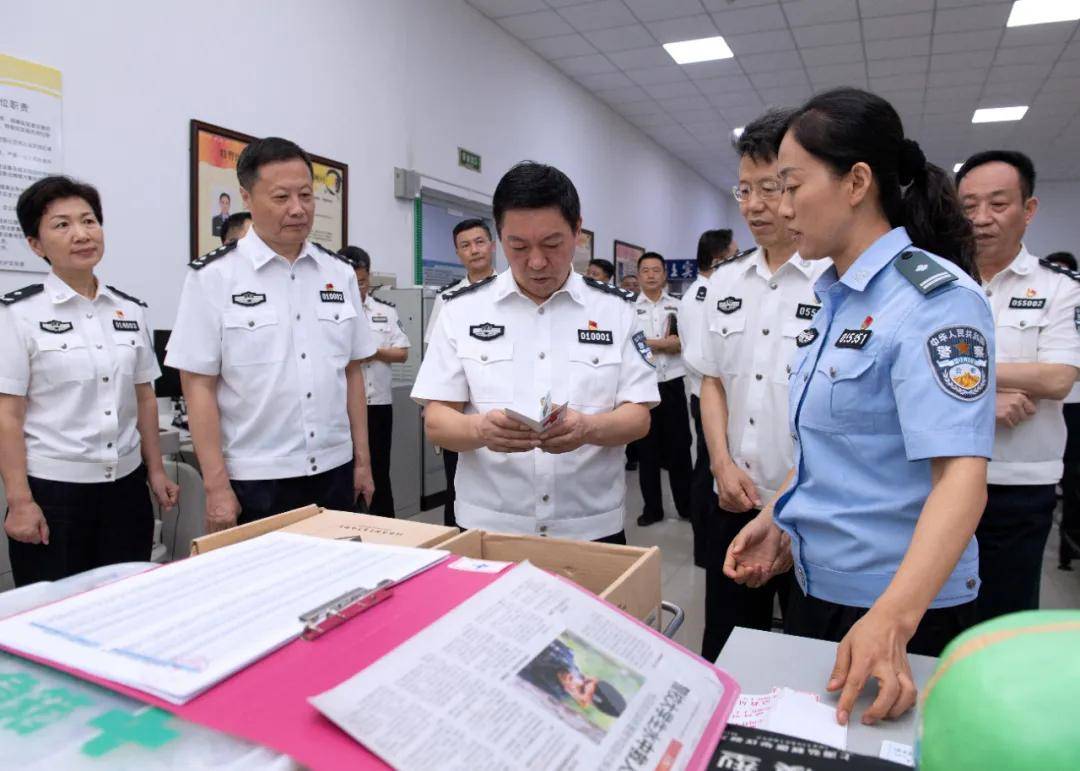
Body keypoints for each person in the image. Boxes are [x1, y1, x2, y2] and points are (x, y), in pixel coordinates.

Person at [725, 87, 996, 725]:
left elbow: (961, 476)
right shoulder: (837, 296)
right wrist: (781, 516)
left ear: (857, 182)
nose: (781, 207)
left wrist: (891, 620)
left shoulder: (932, 300)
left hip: (900, 607)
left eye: (791, 185)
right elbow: (839, 445)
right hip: (823, 587)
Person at [412, 161, 658, 543]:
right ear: (500, 236)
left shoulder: (616, 310)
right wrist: (480, 429)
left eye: (552, 244)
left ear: (578, 231)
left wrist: (588, 428)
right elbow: (437, 420)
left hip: (590, 526)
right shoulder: (460, 309)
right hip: (487, 527)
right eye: (519, 246)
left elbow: (638, 417)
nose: (537, 262)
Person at [167, 137, 377, 529]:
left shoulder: (339, 273)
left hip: (335, 468)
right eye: (281, 197)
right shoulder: (212, 277)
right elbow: (197, 384)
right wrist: (216, 487)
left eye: (306, 195)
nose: (298, 209)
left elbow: (351, 373)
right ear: (247, 196)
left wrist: (362, 461)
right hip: (256, 478)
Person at [690, 109, 833, 661]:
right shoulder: (723, 282)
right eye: (744, 190)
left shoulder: (836, 282)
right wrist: (721, 464)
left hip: (812, 506)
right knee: (727, 646)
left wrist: (789, 497)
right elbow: (713, 382)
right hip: (734, 496)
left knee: (808, 656)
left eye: (770, 188)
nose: (753, 205)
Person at [0, 176, 178, 586]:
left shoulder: (129, 311)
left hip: (126, 488)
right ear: (35, 244)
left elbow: (144, 397)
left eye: (89, 221)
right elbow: (8, 416)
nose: (81, 234)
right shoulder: (18, 315)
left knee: (126, 597)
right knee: (55, 612)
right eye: (61, 225)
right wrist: (19, 501)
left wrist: (156, 472)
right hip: (55, 492)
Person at [955, 152, 1080, 619]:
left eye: (997, 204)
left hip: (1018, 486)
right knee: (936, 617)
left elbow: (1058, 377)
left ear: (1028, 210)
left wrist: (963, 375)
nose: (981, 219)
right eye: (969, 206)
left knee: (1005, 615)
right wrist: (984, 394)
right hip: (936, 478)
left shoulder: (1061, 288)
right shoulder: (936, 284)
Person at [424, 217, 497, 528]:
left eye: (480, 242)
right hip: (460, 412)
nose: (474, 250)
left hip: (499, 405)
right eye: (465, 246)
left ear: (492, 246)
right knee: (456, 486)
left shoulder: (512, 291)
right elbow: (434, 356)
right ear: (458, 254)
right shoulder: (447, 298)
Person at [677, 227, 735, 569]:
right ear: (719, 259)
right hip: (708, 396)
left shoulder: (709, 290)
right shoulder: (703, 295)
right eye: (735, 254)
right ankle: (705, 548)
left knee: (707, 467)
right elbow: (701, 356)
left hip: (714, 394)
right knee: (708, 469)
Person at [339, 245, 410, 518]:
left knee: (378, 470)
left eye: (362, 281)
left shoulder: (385, 311)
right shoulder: (330, 311)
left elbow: (402, 352)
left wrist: (372, 352)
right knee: (344, 471)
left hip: (378, 406)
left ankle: (385, 526)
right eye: (352, 282)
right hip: (341, 408)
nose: (358, 288)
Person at [633, 251, 693, 527]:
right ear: (639, 274)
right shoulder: (629, 307)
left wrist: (653, 342)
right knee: (648, 451)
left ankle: (686, 506)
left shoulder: (680, 306)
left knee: (680, 448)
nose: (651, 275)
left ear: (664, 274)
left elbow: (687, 342)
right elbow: (630, 343)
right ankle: (652, 509)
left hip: (673, 384)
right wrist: (662, 343)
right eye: (645, 270)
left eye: (656, 270)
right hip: (644, 385)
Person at [1045, 251, 1080, 570]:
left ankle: (1071, 548)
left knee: (1074, 480)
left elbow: (1057, 377)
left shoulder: (1067, 293)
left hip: (1073, 407)